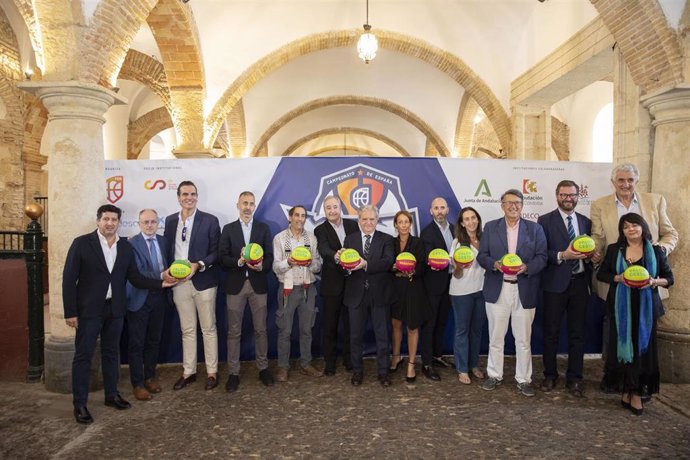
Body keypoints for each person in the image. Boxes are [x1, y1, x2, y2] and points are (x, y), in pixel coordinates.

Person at [63, 204, 174, 424]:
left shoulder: (125, 246)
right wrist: (70, 312)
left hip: (116, 309)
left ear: (119, 223)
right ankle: (80, 405)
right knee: (83, 356)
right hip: (89, 310)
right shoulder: (82, 243)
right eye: (106, 219)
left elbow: (135, 277)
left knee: (112, 354)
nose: (110, 223)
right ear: (98, 221)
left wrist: (161, 283)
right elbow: (68, 279)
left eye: (114, 220)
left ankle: (111, 395)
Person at [590, 163, 678, 393]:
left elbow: (671, 233)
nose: (625, 184)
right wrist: (595, 251)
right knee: (615, 332)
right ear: (613, 182)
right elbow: (597, 236)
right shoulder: (600, 205)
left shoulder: (655, 201)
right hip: (618, 284)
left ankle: (640, 385)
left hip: (647, 286)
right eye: (621, 180)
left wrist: (658, 252)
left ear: (636, 181)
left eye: (630, 180)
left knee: (644, 335)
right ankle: (616, 380)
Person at [597, 213, 673, 415]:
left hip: (646, 309)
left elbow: (669, 278)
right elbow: (601, 274)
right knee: (622, 350)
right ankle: (626, 390)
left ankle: (637, 393)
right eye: (626, 227)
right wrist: (618, 277)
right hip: (621, 307)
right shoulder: (615, 250)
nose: (631, 229)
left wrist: (653, 282)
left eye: (635, 225)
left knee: (642, 352)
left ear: (643, 227)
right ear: (622, 231)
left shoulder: (656, 251)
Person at [477, 189, 547, 397]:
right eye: (509, 203)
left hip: (524, 288)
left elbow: (542, 257)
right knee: (496, 337)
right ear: (502, 205)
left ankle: (524, 379)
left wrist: (527, 267)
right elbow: (482, 256)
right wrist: (495, 265)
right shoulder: (490, 227)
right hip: (498, 288)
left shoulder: (535, 229)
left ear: (522, 205)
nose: (513, 206)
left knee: (523, 339)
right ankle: (494, 375)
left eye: (517, 202)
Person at [537, 181, 599, 397]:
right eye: (564, 195)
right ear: (557, 196)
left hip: (580, 283)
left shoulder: (586, 222)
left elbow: (592, 250)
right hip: (554, 284)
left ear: (578, 196)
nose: (568, 198)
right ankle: (550, 375)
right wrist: (564, 255)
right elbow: (542, 252)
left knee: (577, 334)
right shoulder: (544, 221)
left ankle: (575, 378)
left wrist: (594, 256)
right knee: (551, 333)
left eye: (572, 195)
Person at [163, 181, 221, 391]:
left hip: (203, 281)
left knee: (208, 328)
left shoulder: (210, 220)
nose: (189, 197)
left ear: (197, 197)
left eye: (193, 194)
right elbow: (166, 250)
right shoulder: (170, 222)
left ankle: (212, 372)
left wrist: (199, 265)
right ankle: (189, 372)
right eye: (185, 194)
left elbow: (217, 252)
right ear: (178, 197)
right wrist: (167, 273)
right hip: (179, 283)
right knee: (187, 329)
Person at [218, 191, 275, 392]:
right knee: (234, 331)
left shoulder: (263, 228)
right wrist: (240, 261)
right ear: (238, 205)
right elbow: (222, 258)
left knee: (261, 330)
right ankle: (233, 373)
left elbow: (270, 257)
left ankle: (263, 368)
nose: (248, 207)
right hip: (236, 285)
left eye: (251, 203)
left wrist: (261, 267)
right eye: (244, 203)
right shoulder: (228, 229)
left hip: (258, 285)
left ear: (254, 206)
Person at [341, 205, 395, 387]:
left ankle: (383, 372)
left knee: (382, 336)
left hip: (379, 295)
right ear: (359, 221)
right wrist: (345, 266)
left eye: (372, 219)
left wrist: (365, 264)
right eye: (364, 219)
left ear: (377, 220)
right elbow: (345, 268)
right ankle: (357, 371)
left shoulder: (387, 239)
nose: (368, 222)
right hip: (356, 295)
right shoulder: (349, 239)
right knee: (355, 336)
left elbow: (387, 262)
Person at [125, 209, 174, 401]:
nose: (150, 225)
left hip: (159, 298)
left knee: (154, 341)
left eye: (153, 222)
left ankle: (149, 377)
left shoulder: (163, 241)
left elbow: (169, 265)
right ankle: (137, 384)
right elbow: (139, 272)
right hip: (139, 298)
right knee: (137, 343)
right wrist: (163, 276)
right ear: (139, 223)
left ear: (158, 223)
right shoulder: (131, 244)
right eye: (145, 222)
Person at [272, 205, 324, 382]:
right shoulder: (280, 238)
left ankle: (305, 363)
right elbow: (275, 267)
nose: (300, 219)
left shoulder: (311, 238)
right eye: (296, 215)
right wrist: (289, 262)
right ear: (290, 217)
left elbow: (318, 265)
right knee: (284, 331)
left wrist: (310, 263)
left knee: (306, 329)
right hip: (287, 288)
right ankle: (283, 366)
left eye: (303, 216)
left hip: (308, 288)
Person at [314, 196, 359, 376]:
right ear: (324, 211)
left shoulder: (353, 225)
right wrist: (338, 256)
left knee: (351, 326)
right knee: (330, 326)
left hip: (352, 284)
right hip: (332, 285)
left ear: (341, 207)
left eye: (335, 207)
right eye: (328, 208)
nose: (332, 210)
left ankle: (349, 360)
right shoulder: (320, 229)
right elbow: (324, 250)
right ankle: (330, 362)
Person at [389, 210, 429, 383]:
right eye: (400, 222)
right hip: (395, 289)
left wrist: (410, 269)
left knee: (412, 327)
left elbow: (423, 267)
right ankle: (396, 357)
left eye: (406, 222)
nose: (404, 225)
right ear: (395, 225)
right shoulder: (390, 243)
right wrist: (392, 267)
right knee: (396, 324)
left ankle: (411, 363)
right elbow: (386, 264)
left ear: (410, 224)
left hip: (413, 289)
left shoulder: (418, 243)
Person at [449, 207, 486, 385]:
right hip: (461, 292)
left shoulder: (486, 239)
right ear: (462, 223)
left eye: (474, 217)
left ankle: (474, 365)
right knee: (462, 331)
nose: (471, 221)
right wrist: (458, 267)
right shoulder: (457, 242)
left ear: (477, 220)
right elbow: (455, 274)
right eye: (467, 219)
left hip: (482, 291)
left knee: (476, 331)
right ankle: (462, 369)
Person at [420, 197, 455, 381]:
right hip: (433, 285)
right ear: (431, 211)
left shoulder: (457, 229)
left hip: (453, 282)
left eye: (442, 207)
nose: (439, 211)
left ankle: (437, 356)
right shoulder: (427, 233)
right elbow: (426, 258)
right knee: (430, 324)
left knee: (442, 322)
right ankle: (426, 363)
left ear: (447, 210)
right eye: (436, 208)